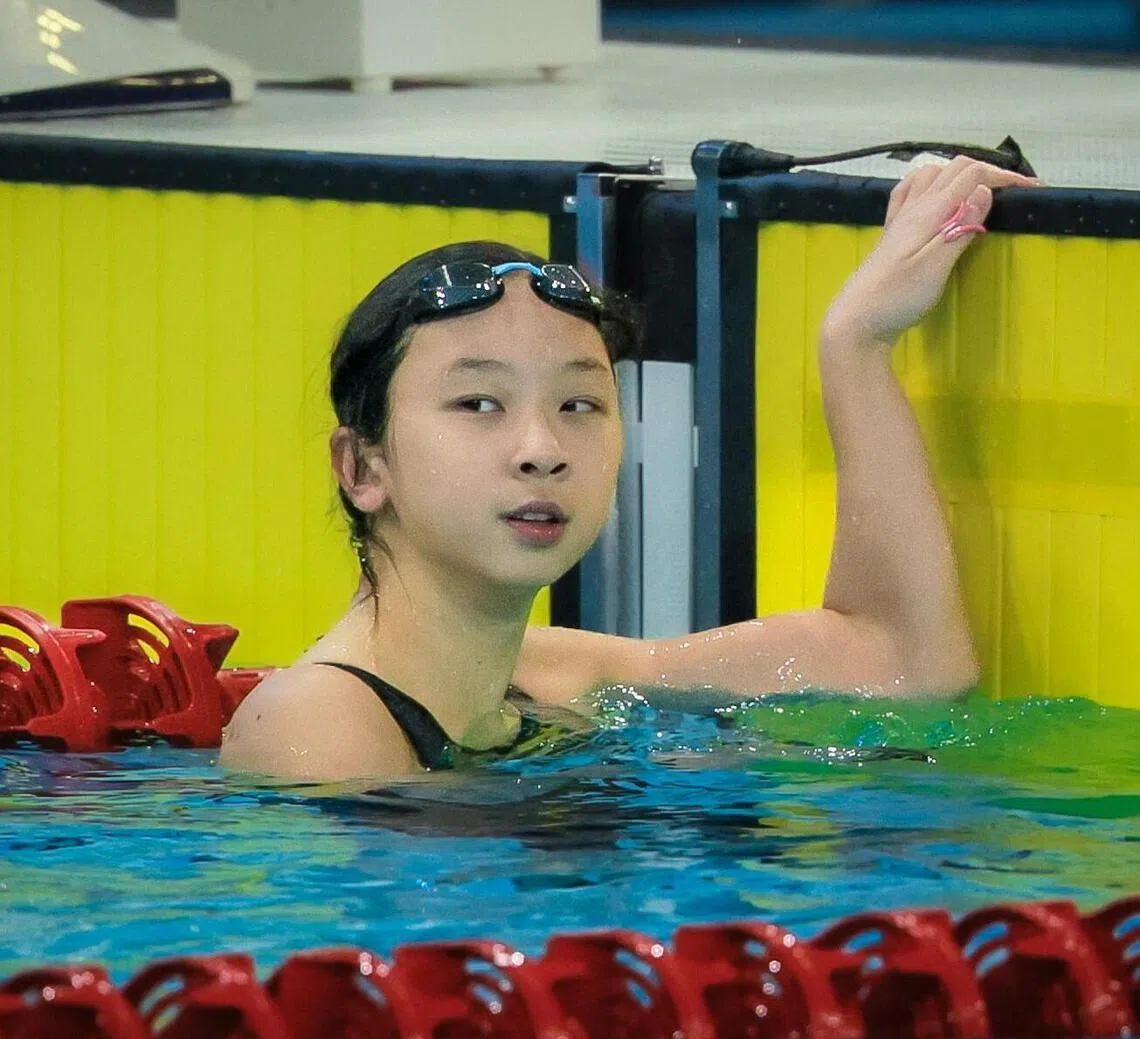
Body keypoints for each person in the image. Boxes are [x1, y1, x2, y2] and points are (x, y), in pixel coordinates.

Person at [221, 157, 1038, 782]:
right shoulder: (324, 725)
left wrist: (857, 343)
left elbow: (905, 665)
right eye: (478, 405)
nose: (541, 448)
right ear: (362, 467)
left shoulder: (554, 676)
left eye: (580, 404)